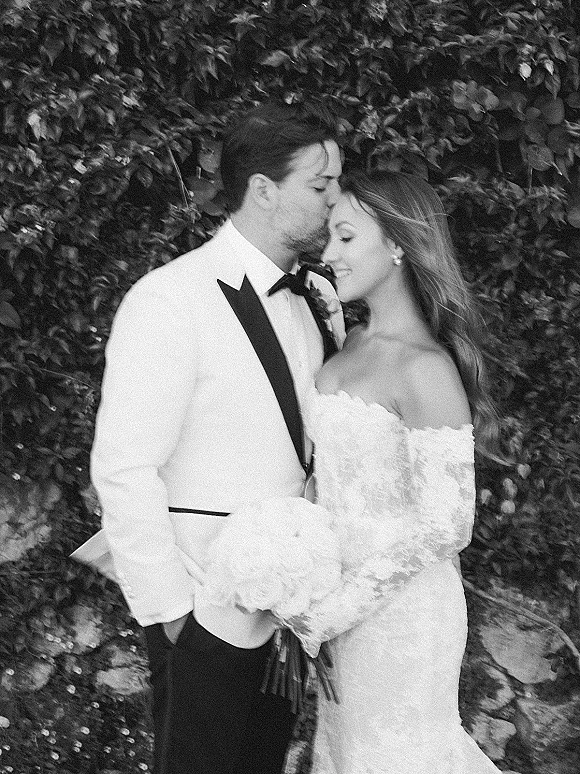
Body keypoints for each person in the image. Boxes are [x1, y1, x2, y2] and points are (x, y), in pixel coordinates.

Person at [89, 101, 344, 774]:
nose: (335, 201)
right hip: (204, 609)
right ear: (262, 190)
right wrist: (175, 619)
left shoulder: (318, 294)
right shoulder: (170, 299)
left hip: (289, 611)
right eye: (320, 186)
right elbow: (123, 467)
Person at [284, 170, 502, 773]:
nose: (328, 255)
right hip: (341, 614)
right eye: (329, 237)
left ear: (399, 244)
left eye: (346, 238)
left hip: (402, 616)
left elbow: (448, 525)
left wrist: (335, 609)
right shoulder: (348, 344)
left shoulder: (425, 369)